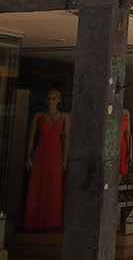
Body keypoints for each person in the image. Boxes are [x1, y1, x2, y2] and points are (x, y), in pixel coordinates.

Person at [23, 89, 70, 230]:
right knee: (37, 183)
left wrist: (65, 157)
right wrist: (29, 157)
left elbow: (66, 138)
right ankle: (34, 220)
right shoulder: (39, 116)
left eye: (53, 99)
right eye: (48, 98)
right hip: (41, 148)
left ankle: (51, 221)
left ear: (59, 100)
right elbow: (32, 137)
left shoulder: (64, 116)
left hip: (55, 150)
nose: (50, 101)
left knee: (53, 184)